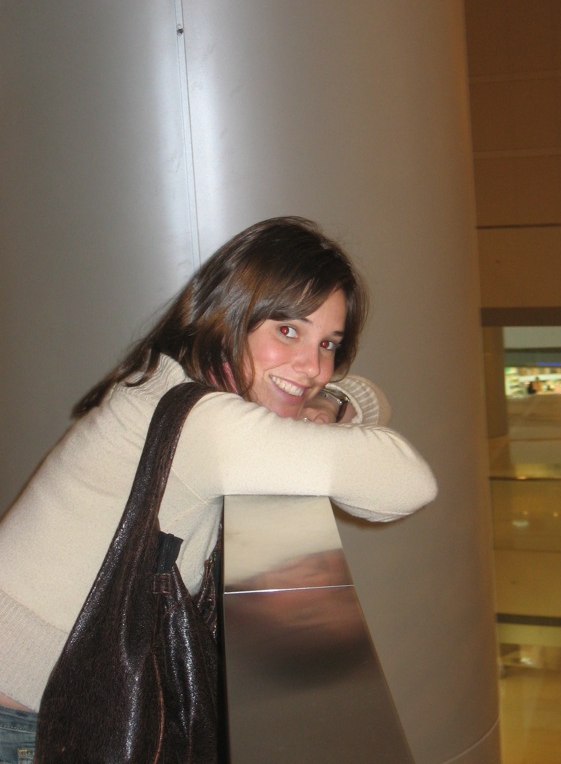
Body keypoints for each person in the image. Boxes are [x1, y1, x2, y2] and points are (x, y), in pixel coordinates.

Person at [0, 216, 437, 760]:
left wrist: (326, 405)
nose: (313, 367)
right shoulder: (206, 422)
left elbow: (366, 393)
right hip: (24, 716)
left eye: (328, 342)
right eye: (287, 330)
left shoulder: (170, 378)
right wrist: (318, 410)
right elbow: (406, 482)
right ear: (230, 315)